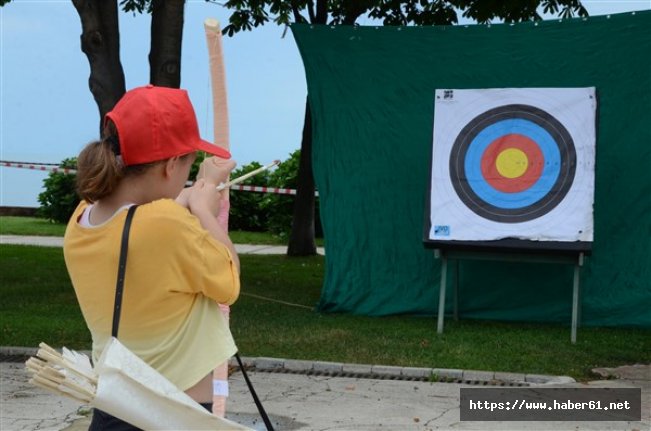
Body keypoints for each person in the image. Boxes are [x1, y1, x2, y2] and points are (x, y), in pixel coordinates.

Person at [63, 84, 240, 430]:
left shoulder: (82, 217)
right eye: (188, 164)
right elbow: (229, 280)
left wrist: (186, 199)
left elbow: (135, 223)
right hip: (173, 412)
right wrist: (204, 210)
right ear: (171, 164)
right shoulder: (164, 224)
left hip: (115, 406)